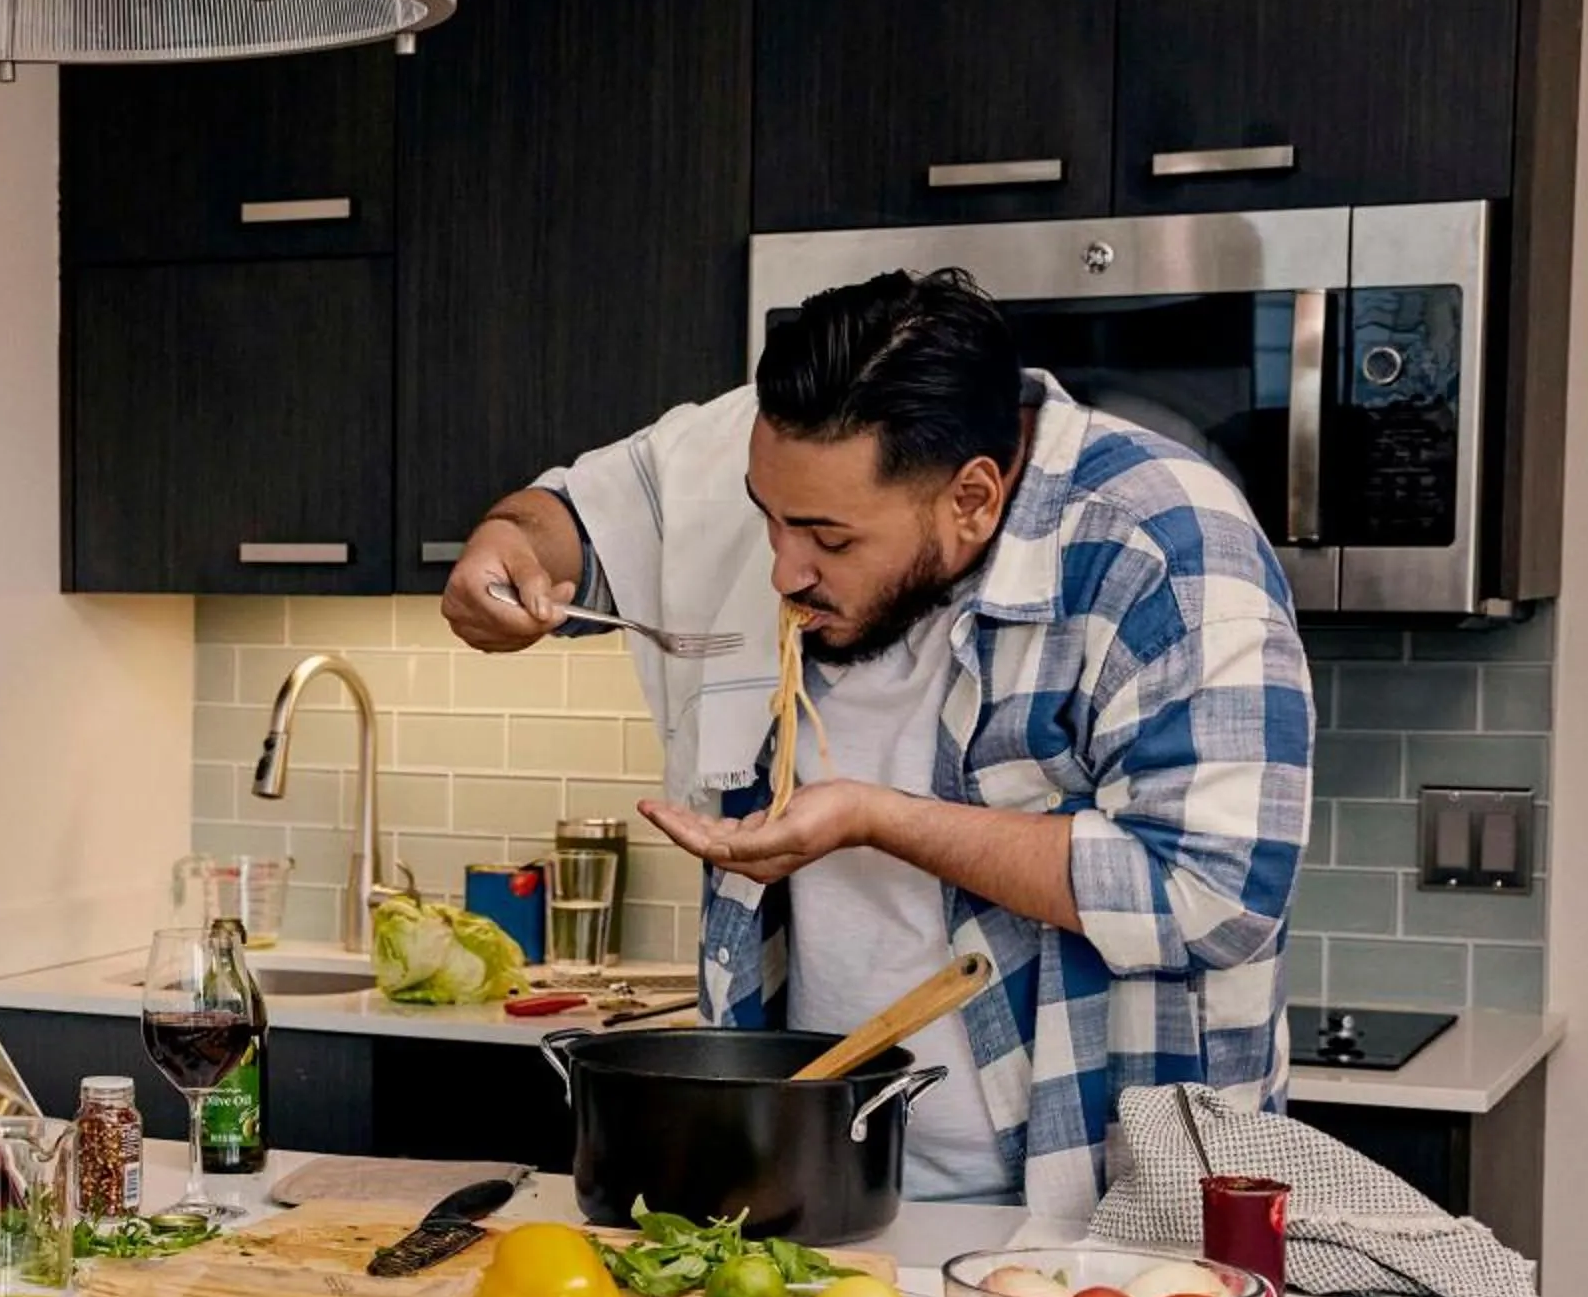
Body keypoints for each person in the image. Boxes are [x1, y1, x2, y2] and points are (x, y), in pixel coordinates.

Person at [442, 271, 1311, 1222]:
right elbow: (577, 514)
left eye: (830, 540)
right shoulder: (788, 449)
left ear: (972, 498)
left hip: (1102, 1209)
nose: (782, 570)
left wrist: (878, 819)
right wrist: (506, 546)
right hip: (808, 1189)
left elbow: (1213, 895)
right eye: (766, 517)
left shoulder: (1165, 549)